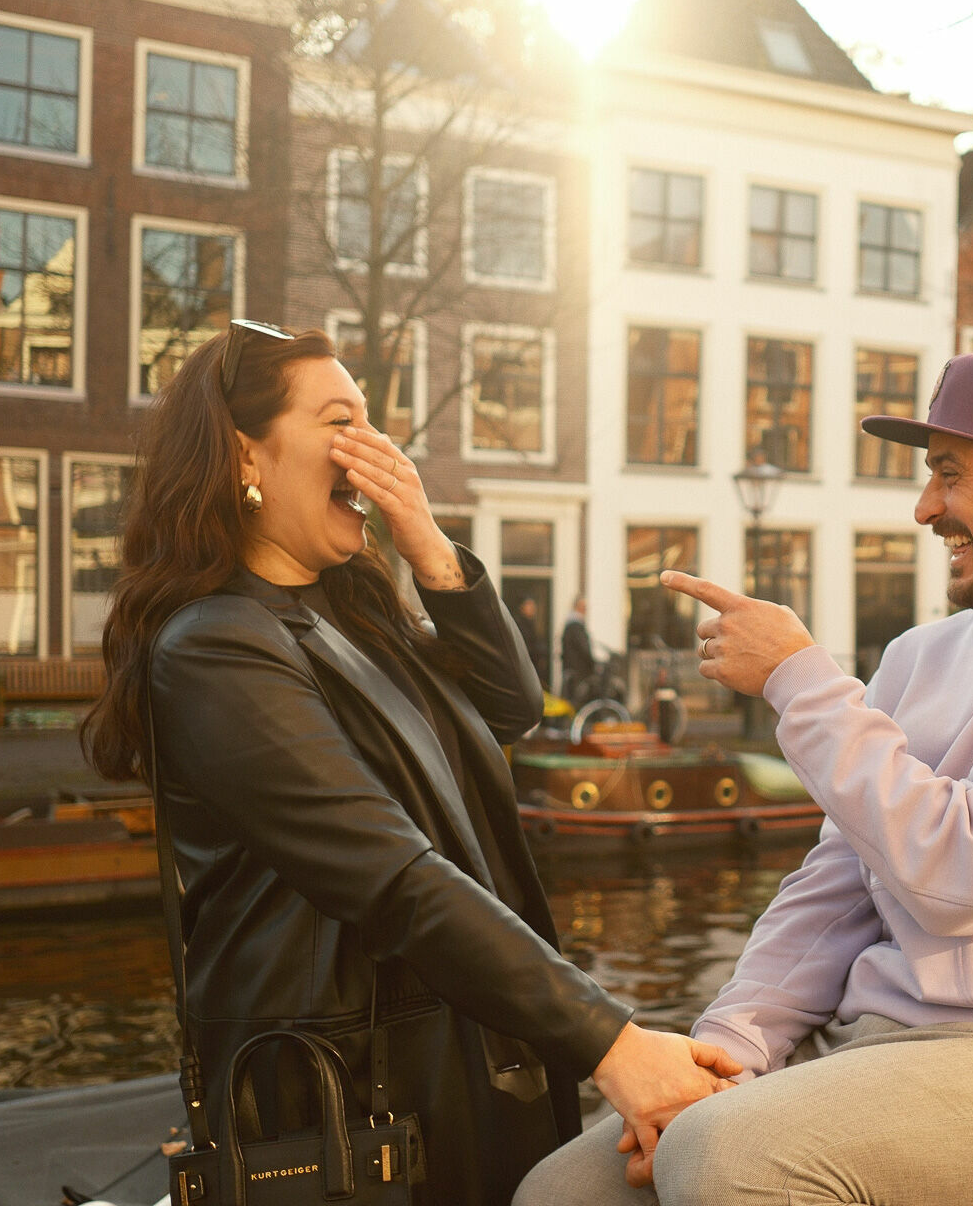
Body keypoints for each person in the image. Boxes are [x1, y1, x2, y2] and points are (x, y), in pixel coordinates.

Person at [516, 349, 973, 1205]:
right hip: (866, 1049)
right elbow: (834, 887)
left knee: (724, 1160)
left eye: (949, 473)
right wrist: (729, 1049)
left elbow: (969, 873)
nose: (924, 507)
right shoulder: (918, 655)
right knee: (564, 1191)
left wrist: (799, 678)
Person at [81, 323, 739, 1206]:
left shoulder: (349, 616)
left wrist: (428, 544)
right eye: (340, 420)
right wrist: (612, 1042)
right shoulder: (215, 646)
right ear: (247, 452)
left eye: (374, 424)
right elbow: (388, 873)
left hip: (446, 1058)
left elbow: (509, 709)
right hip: (351, 1093)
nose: (373, 449)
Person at [561, 596, 596, 702]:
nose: (586, 610)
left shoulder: (570, 625)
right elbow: (583, 648)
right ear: (578, 607)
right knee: (577, 699)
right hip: (578, 670)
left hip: (572, 668)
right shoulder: (576, 626)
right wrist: (592, 663)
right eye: (584, 607)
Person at [515, 594, 551, 689]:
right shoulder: (520, 625)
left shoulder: (531, 625)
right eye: (529, 605)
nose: (532, 609)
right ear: (522, 608)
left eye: (533, 606)